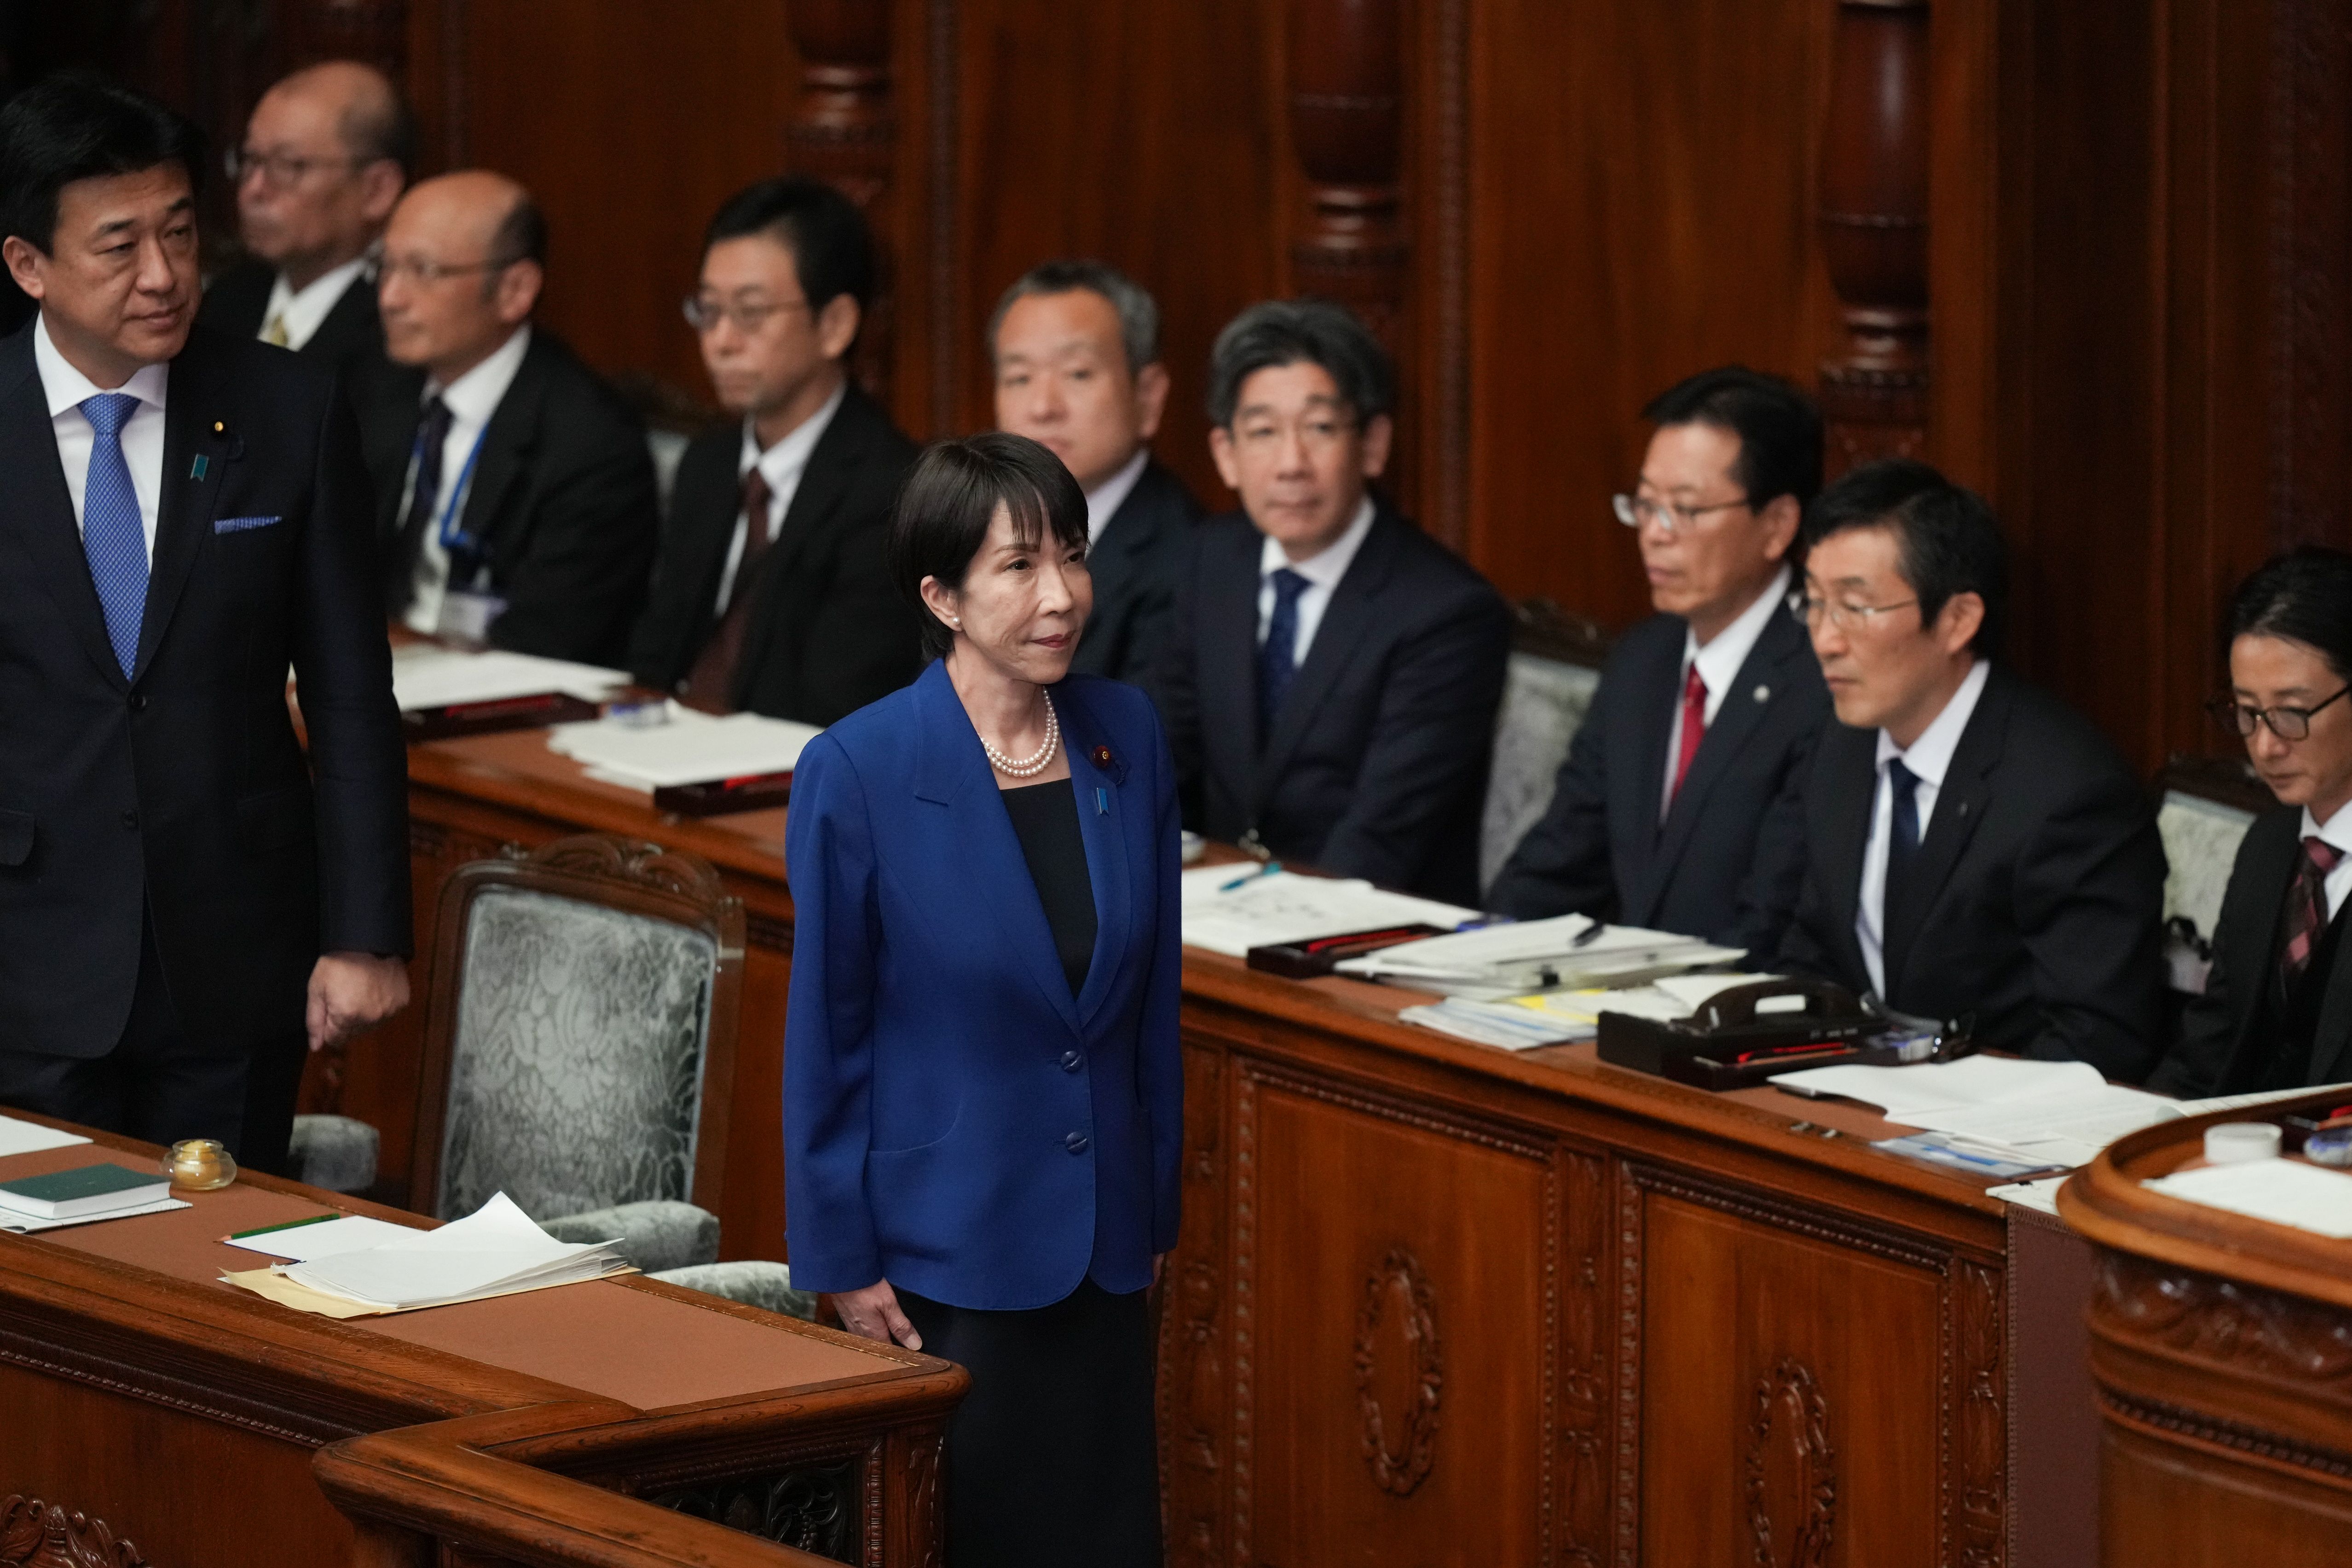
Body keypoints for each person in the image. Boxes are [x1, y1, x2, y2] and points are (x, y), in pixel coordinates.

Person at [0, 78, 410, 1174]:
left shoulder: (287, 408)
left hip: (234, 957)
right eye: (120, 245)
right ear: (28, 264)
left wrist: (363, 934)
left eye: (180, 233)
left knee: (218, 1286)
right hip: (26, 957)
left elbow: (350, 692)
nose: (164, 275)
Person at [784, 433, 1179, 1567]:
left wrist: (1153, 1212)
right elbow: (827, 1035)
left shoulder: (1126, 736)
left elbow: (1151, 1005)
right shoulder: (858, 769)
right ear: (940, 594)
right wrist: (840, 1256)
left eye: (1072, 555)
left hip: (1104, 1247)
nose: (1060, 596)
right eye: (1018, 566)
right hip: (945, 1255)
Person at [1777, 459, 2167, 1080]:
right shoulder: (1840, 747)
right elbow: (1813, 955)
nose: (1824, 638)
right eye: (1814, 603)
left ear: (1957, 619)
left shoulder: (2065, 792)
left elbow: (2096, 1041)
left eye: (1854, 607)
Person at [1153, 299, 1509, 905]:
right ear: (1225, 453)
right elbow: (1161, 755)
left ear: (1372, 444)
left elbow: (1381, 836)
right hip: (1213, 914)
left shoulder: (1446, 612)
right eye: (1263, 432)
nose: (1291, 464)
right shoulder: (1210, 560)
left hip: (1368, 939)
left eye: (1318, 428)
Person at [1487, 367, 1830, 952]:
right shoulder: (1642, 660)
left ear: (1776, 526)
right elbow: (1559, 861)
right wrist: (1479, 954)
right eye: (1645, 505)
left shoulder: (1823, 678)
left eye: (1686, 510)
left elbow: (1772, 921)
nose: (1654, 533)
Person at [628, 178, 919, 721]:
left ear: (834, 325)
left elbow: (839, 704)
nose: (721, 341)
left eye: (751, 312)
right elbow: (655, 656)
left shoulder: (893, 493)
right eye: (708, 310)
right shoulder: (708, 465)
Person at [355, 170, 657, 665]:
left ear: (515, 289)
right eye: (385, 267)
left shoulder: (591, 443)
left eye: (424, 271)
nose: (391, 297)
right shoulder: (372, 392)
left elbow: (553, 641)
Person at [2150, 548, 2352, 1096]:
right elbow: (2207, 1051)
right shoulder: (2268, 844)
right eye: (2246, 712)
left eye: (2291, 713)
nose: (2265, 745)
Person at [992, 259, 1200, 684]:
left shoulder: (1188, 556)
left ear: (1148, 396)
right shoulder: (972, 528)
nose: (1043, 407)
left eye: (1078, 373)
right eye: (1019, 378)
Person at [197, 60, 409, 381]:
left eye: (288, 166)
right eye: (251, 160)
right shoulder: (224, 300)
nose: (254, 189)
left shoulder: (401, 321)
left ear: (377, 190)